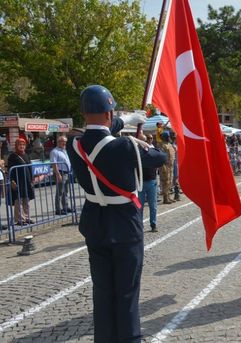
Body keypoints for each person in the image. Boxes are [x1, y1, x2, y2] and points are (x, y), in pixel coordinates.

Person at [67, 85, 166, 342]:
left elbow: (97, 133)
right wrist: (142, 139)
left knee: (102, 291)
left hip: (95, 224)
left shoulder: (74, 144)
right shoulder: (126, 146)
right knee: (127, 292)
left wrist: (128, 119)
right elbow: (159, 157)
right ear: (110, 113)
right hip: (124, 227)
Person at [8, 138, 37, 225]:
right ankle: (20, 219)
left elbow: (29, 167)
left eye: (23, 145)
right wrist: (12, 181)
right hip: (17, 181)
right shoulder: (13, 156)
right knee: (18, 200)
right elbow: (10, 169)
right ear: (16, 146)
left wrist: (32, 178)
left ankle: (27, 217)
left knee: (26, 200)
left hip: (27, 181)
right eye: (20, 145)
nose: (22, 146)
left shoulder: (26, 155)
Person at [139, 134, 160, 232]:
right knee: (140, 207)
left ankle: (153, 224)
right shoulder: (137, 152)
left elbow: (161, 159)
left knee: (153, 205)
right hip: (140, 184)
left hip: (152, 182)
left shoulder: (153, 151)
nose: (149, 141)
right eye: (147, 139)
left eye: (150, 139)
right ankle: (139, 226)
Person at [49, 135, 73, 215]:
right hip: (60, 172)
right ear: (59, 142)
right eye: (63, 141)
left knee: (65, 191)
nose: (65, 143)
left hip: (66, 172)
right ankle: (58, 209)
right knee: (60, 192)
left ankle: (65, 207)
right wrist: (58, 174)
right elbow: (54, 164)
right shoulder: (54, 151)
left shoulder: (64, 150)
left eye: (65, 142)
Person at [158, 131, 175, 204]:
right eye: (167, 137)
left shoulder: (170, 144)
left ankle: (168, 197)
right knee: (165, 182)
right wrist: (163, 166)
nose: (169, 138)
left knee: (170, 181)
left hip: (171, 166)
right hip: (165, 166)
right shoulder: (162, 145)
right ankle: (165, 198)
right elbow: (161, 157)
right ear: (164, 137)